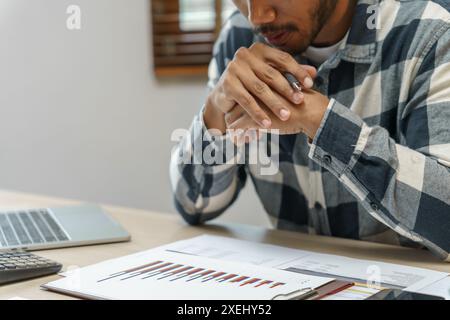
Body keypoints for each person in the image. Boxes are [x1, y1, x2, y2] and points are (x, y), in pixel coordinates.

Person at [170, 0, 450, 260]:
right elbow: (194, 204)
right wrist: (216, 110)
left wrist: (321, 121)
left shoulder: (430, 31)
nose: (257, 16)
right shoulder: (241, 37)